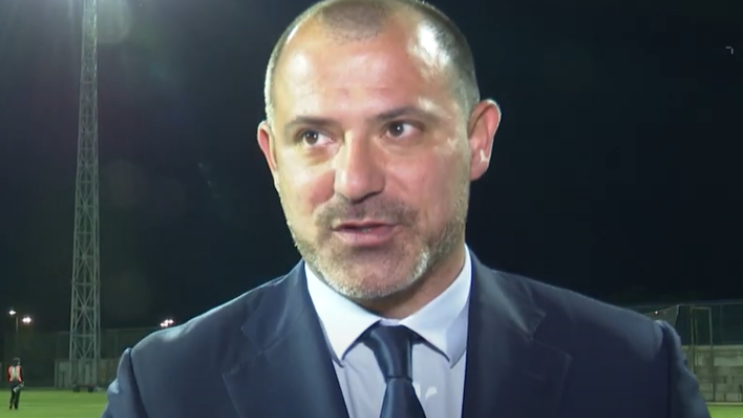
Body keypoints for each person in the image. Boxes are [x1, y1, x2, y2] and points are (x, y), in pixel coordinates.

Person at [102, 0, 710, 417]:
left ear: (478, 140)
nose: (355, 181)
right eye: (313, 136)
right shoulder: (165, 390)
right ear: (273, 158)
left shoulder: (634, 372)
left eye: (398, 128)